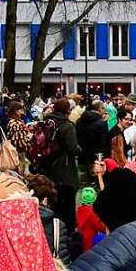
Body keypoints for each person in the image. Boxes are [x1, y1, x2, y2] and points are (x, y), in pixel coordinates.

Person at [36, 98, 80, 233]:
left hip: (48, 168)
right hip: (64, 169)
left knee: (53, 201)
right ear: (68, 110)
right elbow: (73, 148)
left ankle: (50, 229)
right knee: (66, 204)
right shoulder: (67, 125)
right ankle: (67, 232)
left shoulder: (46, 122)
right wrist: (80, 149)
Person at [76, 100, 110, 178]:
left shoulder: (79, 121)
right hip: (95, 158)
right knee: (96, 181)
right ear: (100, 108)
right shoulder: (102, 123)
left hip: (81, 156)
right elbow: (103, 143)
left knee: (83, 181)